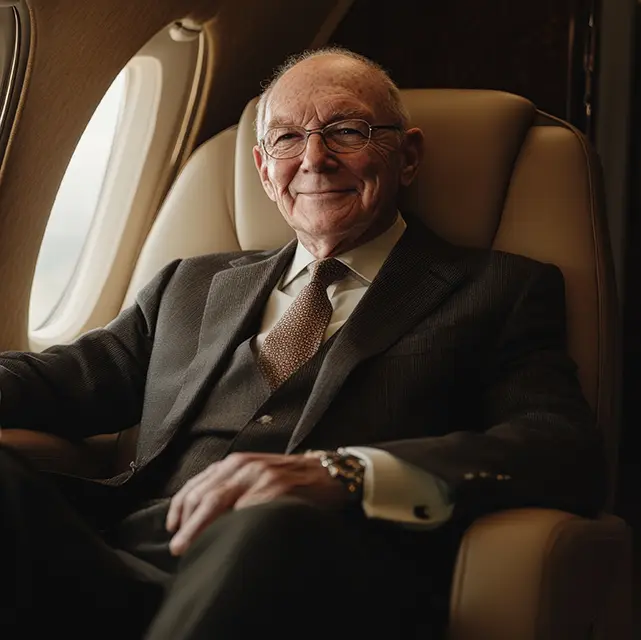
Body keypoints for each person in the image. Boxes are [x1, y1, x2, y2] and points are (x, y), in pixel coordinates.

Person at [0, 46, 606, 639]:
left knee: (271, 524)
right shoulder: (190, 285)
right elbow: (57, 379)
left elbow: (558, 449)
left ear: (409, 156)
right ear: (264, 170)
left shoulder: (500, 289)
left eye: (346, 130)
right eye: (287, 139)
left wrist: (343, 473)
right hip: (122, 558)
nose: (314, 159)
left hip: (316, 572)